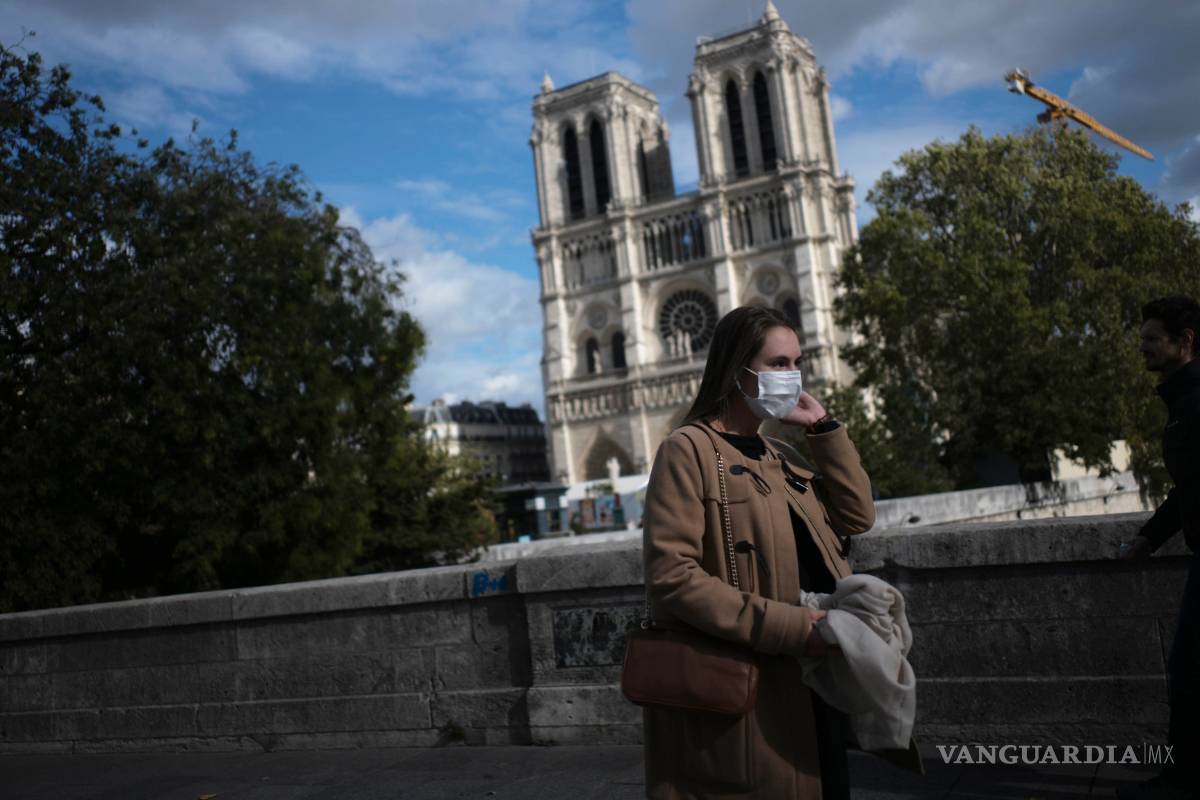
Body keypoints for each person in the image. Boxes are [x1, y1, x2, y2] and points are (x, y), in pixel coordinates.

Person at [641, 305, 905, 799]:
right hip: (756, 677)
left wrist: (823, 427)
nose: (792, 376)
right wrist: (791, 629)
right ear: (738, 371)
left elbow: (857, 517)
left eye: (795, 362)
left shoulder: (781, 455)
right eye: (777, 364)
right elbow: (671, 576)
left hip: (817, 675)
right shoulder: (688, 450)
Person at [1119, 296, 1200, 800]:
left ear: (1184, 342)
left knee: (1189, 668)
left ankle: (1182, 778)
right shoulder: (1183, 400)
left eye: (1153, 338)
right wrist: (1150, 536)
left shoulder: (1195, 401)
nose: (1143, 346)